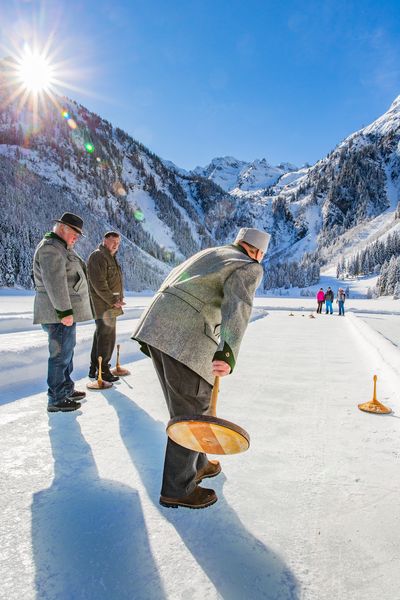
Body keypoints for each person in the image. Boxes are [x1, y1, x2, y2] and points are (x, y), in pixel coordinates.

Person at [131, 227, 270, 509]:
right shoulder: (248, 265)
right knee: (191, 413)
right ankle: (177, 489)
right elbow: (238, 306)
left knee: (194, 403)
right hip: (184, 335)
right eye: (262, 256)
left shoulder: (215, 253)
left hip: (158, 327)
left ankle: (200, 463)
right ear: (257, 252)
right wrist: (227, 352)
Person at [33, 212, 93, 412]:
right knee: (59, 355)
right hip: (57, 313)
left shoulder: (61, 247)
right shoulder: (51, 249)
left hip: (63, 314)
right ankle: (57, 398)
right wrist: (64, 312)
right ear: (63, 228)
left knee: (67, 352)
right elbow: (55, 282)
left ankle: (66, 388)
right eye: (75, 233)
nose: (76, 237)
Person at [87, 231, 126, 382]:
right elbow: (99, 284)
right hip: (104, 306)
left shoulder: (110, 257)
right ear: (104, 240)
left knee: (101, 336)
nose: (116, 245)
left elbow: (112, 281)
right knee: (106, 338)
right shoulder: (98, 256)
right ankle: (103, 371)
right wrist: (112, 300)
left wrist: (118, 298)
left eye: (118, 243)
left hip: (110, 305)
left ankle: (94, 368)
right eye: (113, 242)